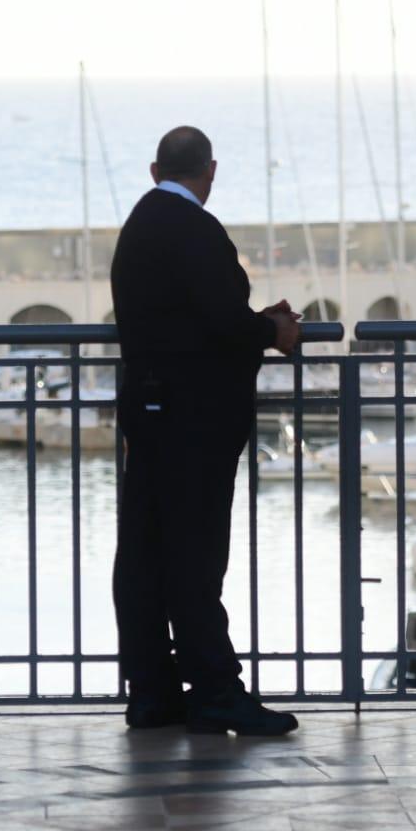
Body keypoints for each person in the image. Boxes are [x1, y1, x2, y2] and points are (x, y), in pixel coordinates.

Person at [110, 125, 301, 736]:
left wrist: (250, 324)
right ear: (210, 170)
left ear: (153, 168)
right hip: (192, 422)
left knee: (145, 553)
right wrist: (273, 332)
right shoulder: (196, 229)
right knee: (195, 555)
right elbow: (219, 322)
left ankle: (152, 690)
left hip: (148, 411)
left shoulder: (140, 222)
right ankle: (217, 690)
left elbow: (183, 319)